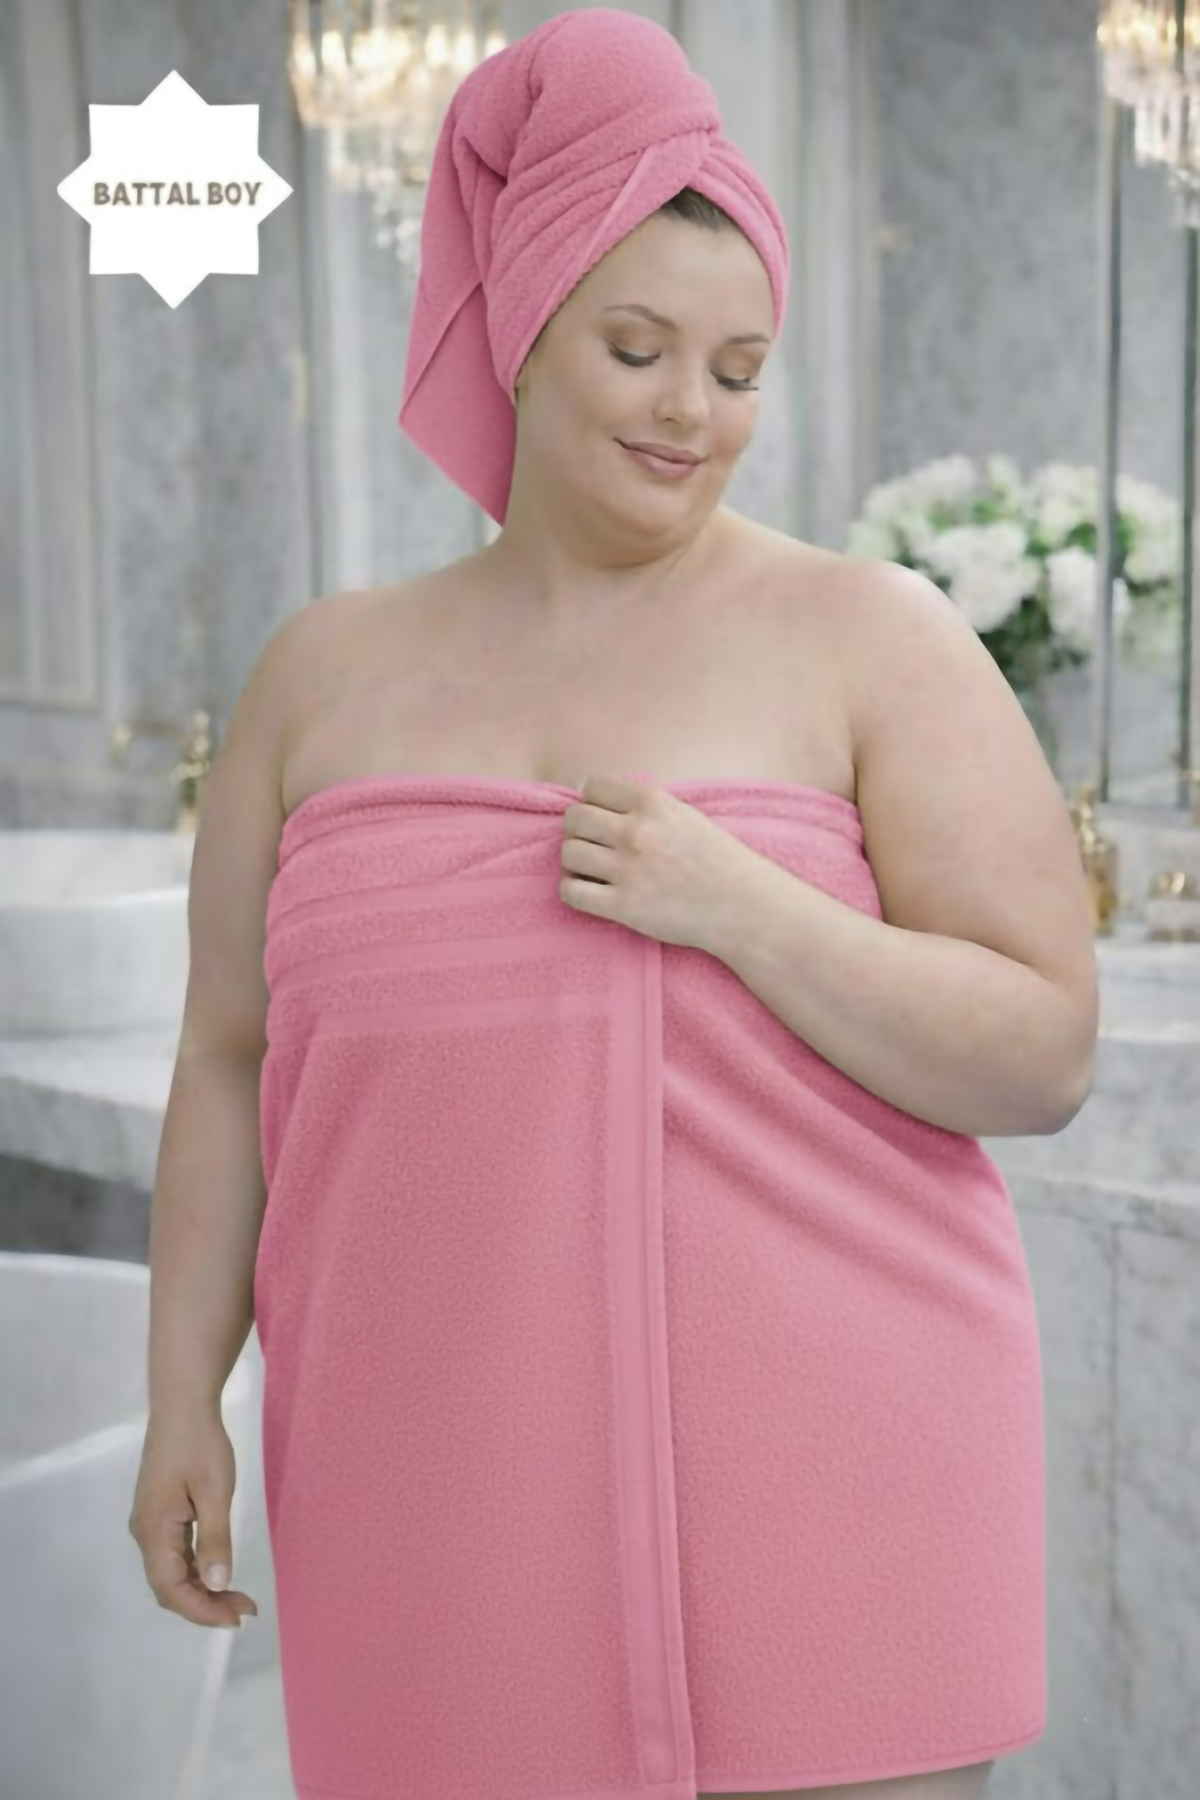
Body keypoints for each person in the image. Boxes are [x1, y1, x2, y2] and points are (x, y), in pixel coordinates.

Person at [129, 13, 1098, 1800]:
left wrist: (738, 905)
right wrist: (183, 1392)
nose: (688, 411)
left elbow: (1042, 1053)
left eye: (738, 368)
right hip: (430, 1488)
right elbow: (226, 1059)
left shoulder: (871, 640)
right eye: (638, 349)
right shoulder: (321, 678)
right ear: (518, 326)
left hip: (833, 1481)